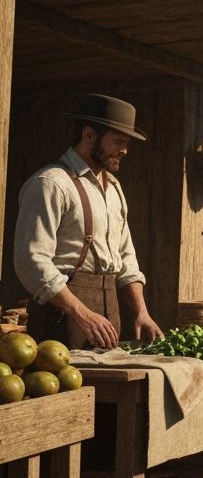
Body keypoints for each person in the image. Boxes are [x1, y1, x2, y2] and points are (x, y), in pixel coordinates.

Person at [15, 93, 162, 348]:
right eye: (118, 141)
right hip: (61, 315)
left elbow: (126, 257)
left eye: (126, 143)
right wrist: (79, 312)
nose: (124, 150)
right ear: (89, 135)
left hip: (109, 313)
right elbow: (31, 261)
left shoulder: (114, 188)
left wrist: (141, 312)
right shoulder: (51, 184)